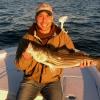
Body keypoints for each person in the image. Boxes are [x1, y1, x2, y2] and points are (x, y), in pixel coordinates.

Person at [15, 2, 94, 100]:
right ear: (35, 18)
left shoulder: (63, 36)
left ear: (52, 18)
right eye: (40, 16)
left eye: (48, 16)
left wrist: (80, 63)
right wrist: (25, 58)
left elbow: (72, 56)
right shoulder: (27, 39)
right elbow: (19, 66)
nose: (44, 21)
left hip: (53, 81)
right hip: (31, 79)